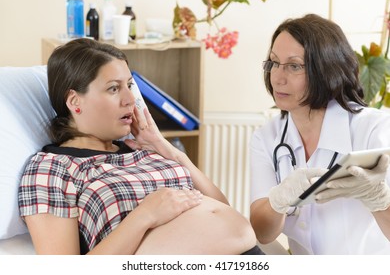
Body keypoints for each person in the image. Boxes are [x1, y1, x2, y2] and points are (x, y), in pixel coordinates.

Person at [18, 38, 262, 255]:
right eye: (114, 88)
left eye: (129, 85)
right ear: (74, 101)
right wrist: (145, 215)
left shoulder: (143, 150)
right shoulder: (52, 169)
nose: (130, 99)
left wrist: (164, 147)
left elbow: (221, 206)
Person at [249, 14, 390, 255]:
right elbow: (262, 233)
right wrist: (278, 202)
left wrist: (379, 199)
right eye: (273, 62)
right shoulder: (267, 137)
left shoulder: (375, 129)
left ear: (326, 69)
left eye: (294, 66)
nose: (277, 78)